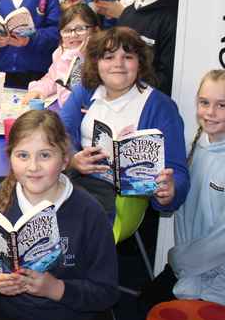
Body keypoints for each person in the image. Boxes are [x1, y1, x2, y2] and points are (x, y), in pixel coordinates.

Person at [0, 110, 119, 320]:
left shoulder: (89, 212)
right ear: (10, 158)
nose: (33, 167)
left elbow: (107, 291)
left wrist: (56, 289)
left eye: (45, 155)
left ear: (64, 159)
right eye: (23, 155)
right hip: (13, 319)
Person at [143, 70, 225, 314]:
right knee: (145, 307)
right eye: (204, 103)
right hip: (194, 267)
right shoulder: (200, 145)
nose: (209, 112)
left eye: (221, 105)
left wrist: (178, 260)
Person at [58, 27, 189, 220]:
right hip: (76, 181)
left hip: (120, 201)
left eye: (127, 57)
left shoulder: (161, 107)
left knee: (68, 216)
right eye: (109, 57)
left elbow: (177, 172)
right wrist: (73, 158)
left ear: (140, 63)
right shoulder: (85, 91)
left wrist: (170, 190)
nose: (118, 64)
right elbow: (59, 133)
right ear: (96, 62)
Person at [116, 0, 180, 97]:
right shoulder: (127, 14)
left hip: (153, 101)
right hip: (122, 95)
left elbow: (168, 77)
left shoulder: (175, 14)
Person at [22, 3, 100, 111]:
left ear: (95, 31)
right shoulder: (62, 52)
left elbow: (70, 99)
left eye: (80, 29)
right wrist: (38, 90)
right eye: (67, 31)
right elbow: (52, 79)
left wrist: (77, 57)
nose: (73, 35)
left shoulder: (102, 58)